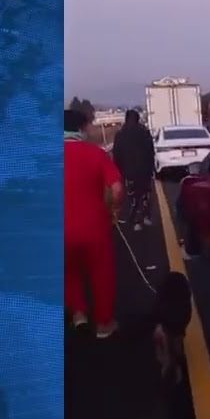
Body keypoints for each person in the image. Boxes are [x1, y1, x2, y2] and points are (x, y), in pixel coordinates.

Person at [64, 108, 122, 338]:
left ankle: (79, 314)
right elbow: (116, 189)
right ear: (81, 128)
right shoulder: (96, 153)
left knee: (69, 270)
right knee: (101, 273)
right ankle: (104, 324)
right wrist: (113, 209)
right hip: (94, 227)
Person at [111, 108, 156, 230]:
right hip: (144, 170)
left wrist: (118, 171)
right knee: (145, 194)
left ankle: (136, 221)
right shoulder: (144, 132)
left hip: (128, 171)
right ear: (138, 119)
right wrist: (151, 167)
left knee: (133, 196)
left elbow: (117, 154)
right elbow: (151, 151)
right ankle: (146, 216)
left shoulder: (120, 134)